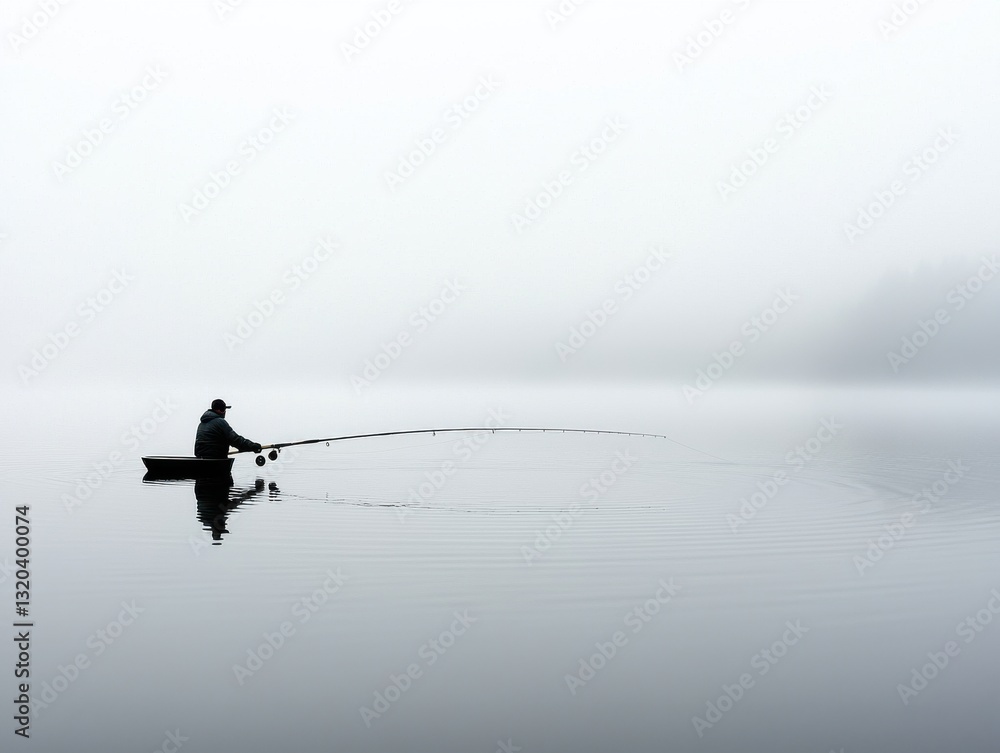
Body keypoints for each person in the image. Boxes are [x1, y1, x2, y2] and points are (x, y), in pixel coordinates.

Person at [194, 399, 262, 458]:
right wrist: (253, 446)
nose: (225, 412)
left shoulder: (201, 424)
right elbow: (235, 440)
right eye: (224, 409)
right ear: (219, 410)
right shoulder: (220, 422)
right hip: (216, 460)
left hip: (201, 458)